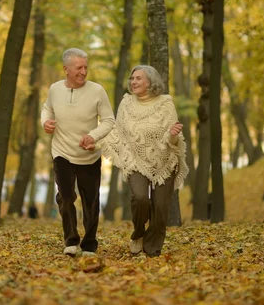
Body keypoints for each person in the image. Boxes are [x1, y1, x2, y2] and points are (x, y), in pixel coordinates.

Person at [95, 65, 188, 257]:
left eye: (138, 78)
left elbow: (172, 138)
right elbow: (117, 133)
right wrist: (96, 143)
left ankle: (152, 247)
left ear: (150, 82)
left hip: (165, 160)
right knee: (140, 198)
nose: (133, 82)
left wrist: (171, 135)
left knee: (161, 207)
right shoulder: (126, 103)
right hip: (135, 160)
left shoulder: (165, 104)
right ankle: (138, 233)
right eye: (132, 78)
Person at [41, 48, 115, 257]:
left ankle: (89, 244)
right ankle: (71, 240)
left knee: (90, 201)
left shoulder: (97, 91)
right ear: (66, 69)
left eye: (85, 67)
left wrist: (93, 136)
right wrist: (45, 121)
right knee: (65, 196)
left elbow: (109, 120)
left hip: (88, 155)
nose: (83, 72)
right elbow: (47, 108)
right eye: (78, 68)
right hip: (62, 152)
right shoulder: (55, 89)